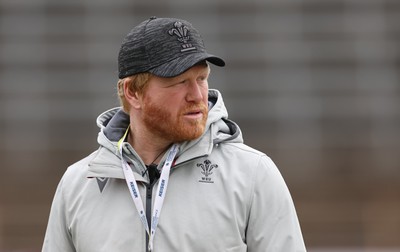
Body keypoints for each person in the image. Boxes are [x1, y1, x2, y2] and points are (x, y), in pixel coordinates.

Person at [42, 16, 306, 252]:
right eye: (180, 82)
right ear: (133, 92)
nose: (198, 96)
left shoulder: (252, 174)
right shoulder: (78, 183)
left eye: (201, 79)